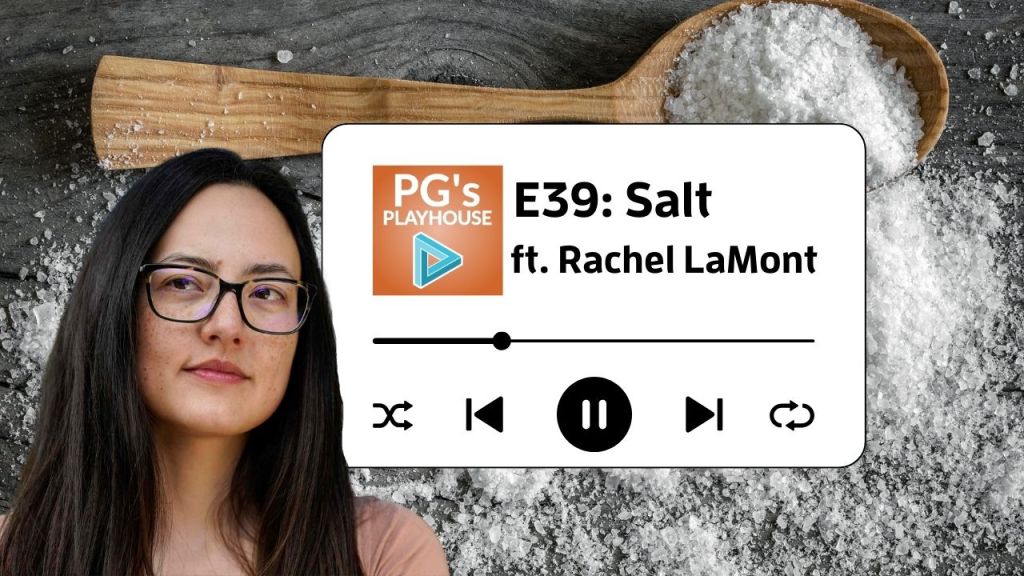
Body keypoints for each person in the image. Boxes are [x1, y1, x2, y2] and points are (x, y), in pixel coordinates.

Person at [0, 149, 449, 576]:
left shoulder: (383, 552)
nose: (227, 324)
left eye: (267, 292)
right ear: (115, 304)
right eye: (183, 283)